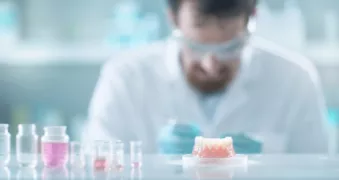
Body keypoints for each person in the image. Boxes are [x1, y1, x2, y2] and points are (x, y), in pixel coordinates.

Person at [84, 0, 329, 154]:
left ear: (252, 18)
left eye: (230, 48)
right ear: (172, 18)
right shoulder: (125, 78)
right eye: (197, 46)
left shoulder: (294, 80)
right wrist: (151, 164)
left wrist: (267, 163)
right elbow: (94, 174)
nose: (211, 66)